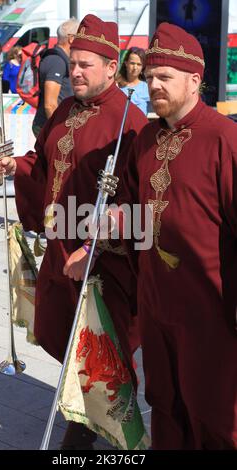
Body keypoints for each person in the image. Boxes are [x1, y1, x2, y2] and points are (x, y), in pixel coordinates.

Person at [0, 14, 148, 449]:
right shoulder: (65, 110)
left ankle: (89, 433)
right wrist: (14, 166)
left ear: (111, 68)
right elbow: (40, 164)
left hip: (104, 263)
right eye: (72, 62)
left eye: (85, 65)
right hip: (61, 251)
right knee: (61, 335)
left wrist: (95, 249)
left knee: (99, 350)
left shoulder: (128, 122)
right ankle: (89, 413)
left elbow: (135, 204)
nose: (74, 72)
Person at [111, 22, 237, 450]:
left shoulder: (225, 139)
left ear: (195, 80)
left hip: (209, 310)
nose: (154, 86)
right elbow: (131, 206)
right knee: (164, 405)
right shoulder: (146, 137)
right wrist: (112, 224)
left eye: (165, 77)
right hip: (156, 304)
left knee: (215, 415)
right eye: (149, 77)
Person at [32, 17, 79, 137]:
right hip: (50, 127)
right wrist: (60, 132)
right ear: (72, 39)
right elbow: (50, 104)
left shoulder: (60, 58)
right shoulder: (56, 61)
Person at [116, 47, 150, 115]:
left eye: (139, 64)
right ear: (126, 63)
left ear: (142, 67)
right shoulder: (117, 86)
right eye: (132, 63)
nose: (135, 67)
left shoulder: (147, 88)